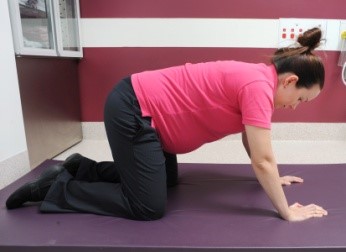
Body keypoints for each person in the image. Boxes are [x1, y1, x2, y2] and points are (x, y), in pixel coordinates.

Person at [6, 27, 328, 221]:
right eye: (301, 99)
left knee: (166, 181)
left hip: (146, 114)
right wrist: (286, 211)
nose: (294, 107)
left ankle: (80, 167)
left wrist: (273, 176)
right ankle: (56, 188)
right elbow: (262, 159)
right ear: (290, 81)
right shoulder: (258, 87)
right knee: (146, 206)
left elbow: (253, 145)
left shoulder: (259, 80)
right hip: (133, 109)